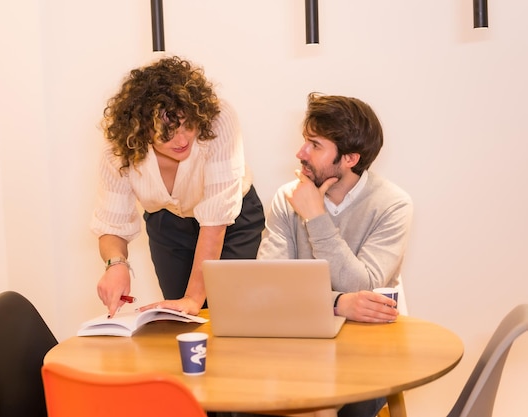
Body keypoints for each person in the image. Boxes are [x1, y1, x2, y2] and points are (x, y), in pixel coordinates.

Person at [256, 93, 414, 417]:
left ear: (350, 158)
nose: (300, 153)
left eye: (315, 145)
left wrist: (317, 218)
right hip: (301, 341)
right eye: (305, 142)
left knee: (319, 404)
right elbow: (268, 286)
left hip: (369, 346)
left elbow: (364, 287)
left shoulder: (393, 205)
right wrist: (338, 303)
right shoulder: (287, 199)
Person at [91, 56, 265, 319]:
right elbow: (112, 223)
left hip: (231, 221)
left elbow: (215, 221)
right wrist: (116, 264)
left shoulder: (219, 120)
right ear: (141, 129)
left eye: (188, 125)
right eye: (167, 132)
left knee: (230, 314)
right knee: (180, 317)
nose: (182, 140)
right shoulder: (119, 150)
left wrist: (194, 298)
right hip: (168, 224)